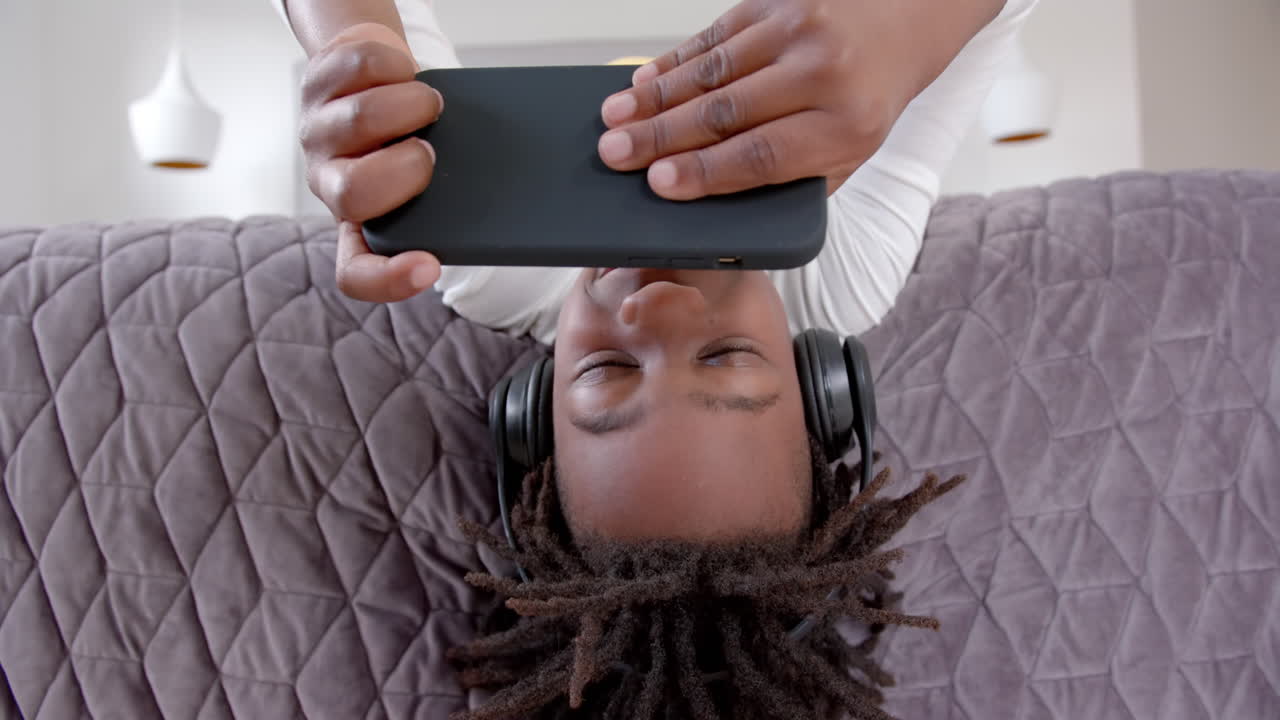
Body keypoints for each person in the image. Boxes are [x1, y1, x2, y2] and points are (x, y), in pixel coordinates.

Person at [272, 0, 1038, 716]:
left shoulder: (487, 264)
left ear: (530, 413)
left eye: (607, 372)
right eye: (727, 356)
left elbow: (373, 49)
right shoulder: (844, 267)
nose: (657, 304)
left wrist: (353, 47)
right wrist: (912, 23)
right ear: (821, 382)